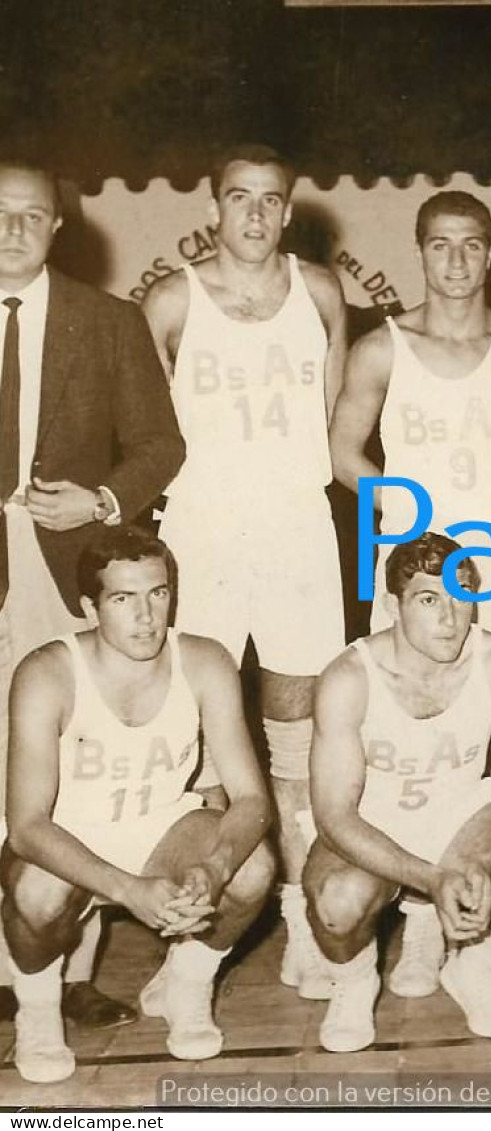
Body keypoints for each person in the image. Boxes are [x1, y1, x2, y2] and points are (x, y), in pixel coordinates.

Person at [328, 190, 491, 996]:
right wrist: (404, 514)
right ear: (420, 251)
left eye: (472, 246)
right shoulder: (382, 347)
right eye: (441, 245)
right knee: (413, 730)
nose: (457, 261)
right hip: (414, 568)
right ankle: (423, 914)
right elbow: (342, 452)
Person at [142, 145, 347, 1003]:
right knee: (202, 750)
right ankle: (191, 945)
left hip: (298, 526)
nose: (256, 216)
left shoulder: (322, 294)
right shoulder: (172, 299)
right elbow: (151, 429)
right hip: (204, 532)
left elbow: (334, 422)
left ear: (288, 211)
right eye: (240, 199)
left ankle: (302, 923)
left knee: (299, 741)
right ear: (214, 207)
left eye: (271, 201)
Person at [0, 157, 186, 1032]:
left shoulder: (106, 321)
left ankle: (68, 972)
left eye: (31, 216)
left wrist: (101, 502)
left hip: (60, 559)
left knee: (68, 766)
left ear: (58, 228)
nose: (12, 230)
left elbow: (160, 444)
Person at [2, 528, 273, 1083]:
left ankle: (188, 981)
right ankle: (38, 1011)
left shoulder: (203, 659)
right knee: (36, 890)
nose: (147, 616)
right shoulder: (47, 671)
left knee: (254, 865)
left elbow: (251, 799)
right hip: (66, 835)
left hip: (160, 826)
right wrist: (128, 890)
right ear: (89, 607)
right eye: (123, 599)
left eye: (158, 593)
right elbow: (27, 826)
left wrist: (212, 868)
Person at [303, 533, 491, 1053]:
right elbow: (334, 814)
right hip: (374, 824)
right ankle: (356, 983)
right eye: (429, 600)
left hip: (462, 818)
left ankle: (475, 966)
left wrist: (476, 861)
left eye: (462, 595)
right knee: (339, 903)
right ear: (392, 606)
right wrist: (432, 878)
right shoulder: (348, 676)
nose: (450, 617)